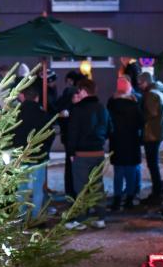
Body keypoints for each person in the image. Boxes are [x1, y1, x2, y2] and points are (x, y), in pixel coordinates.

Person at [65, 78, 111, 230]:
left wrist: (71, 152)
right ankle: (101, 218)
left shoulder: (78, 110)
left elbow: (72, 133)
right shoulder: (102, 108)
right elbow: (110, 129)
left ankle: (80, 220)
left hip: (82, 154)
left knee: (81, 188)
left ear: (84, 91)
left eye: (79, 91)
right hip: (98, 151)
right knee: (98, 186)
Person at [10, 83, 52, 220]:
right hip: (39, 158)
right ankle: (36, 218)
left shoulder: (16, 114)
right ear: (37, 98)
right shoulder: (43, 114)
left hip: (21, 157)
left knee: (21, 188)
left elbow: (11, 135)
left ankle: (20, 217)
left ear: (23, 97)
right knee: (38, 189)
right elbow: (50, 134)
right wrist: (44, 150)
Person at [107, 78, 142, 211]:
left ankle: (117, 200)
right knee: (131, 173)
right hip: (132, 143)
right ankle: (129, 200)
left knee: (118, 173)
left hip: (116, 142)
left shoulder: (111, 104)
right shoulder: (134, 105)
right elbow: (141, 122)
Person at [136, 73, 163, 207]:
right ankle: (157, 191)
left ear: (145, 82)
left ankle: (157, 193)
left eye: (140, 83)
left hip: (151, 134)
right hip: (157, 132)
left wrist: (138, 115)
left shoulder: (150, 94)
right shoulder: (159, 91)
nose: (139, 86)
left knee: (152, 164)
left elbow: (151, 113)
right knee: (153, 164)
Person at [56, 70, 82, 199]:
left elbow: (59, 109)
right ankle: (75, 191)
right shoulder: (78, 94)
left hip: (69, 136)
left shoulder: (69, 93)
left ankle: (70, 191)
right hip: (76, 138)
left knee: (70, 164)